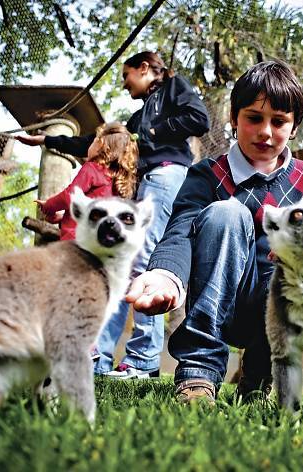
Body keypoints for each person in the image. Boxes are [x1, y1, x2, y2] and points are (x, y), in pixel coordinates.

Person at [124, 61, 303, 403]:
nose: (265, 132)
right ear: (233, 117)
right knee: (227, 212)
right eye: (254, 118)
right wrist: (166, 273)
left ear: (294, 127)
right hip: (217, 301)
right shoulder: (207, 174)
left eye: (279, 121)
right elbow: (181, 228)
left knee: (293, 258)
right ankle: (198, 373)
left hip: (280, 310)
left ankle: (258, 374)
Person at [18, 51, 210, 378]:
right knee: (122, 267)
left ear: (145, 69)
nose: (124, 84)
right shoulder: (136, 119)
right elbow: (93, 144)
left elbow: (199, 119)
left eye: (126, 75)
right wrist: (47, 139)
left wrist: (149, 134)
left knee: (146, 261)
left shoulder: (173, 88)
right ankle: (101, 358)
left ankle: (144, 360)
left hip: (166, 176)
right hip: (143, 185)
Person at [29, 122, 138, 241]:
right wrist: (62, 217)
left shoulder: (92, 168)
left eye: (93, 141)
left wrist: (49, 206)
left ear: (100, 144)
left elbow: (69, 196)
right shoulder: (119, 183)